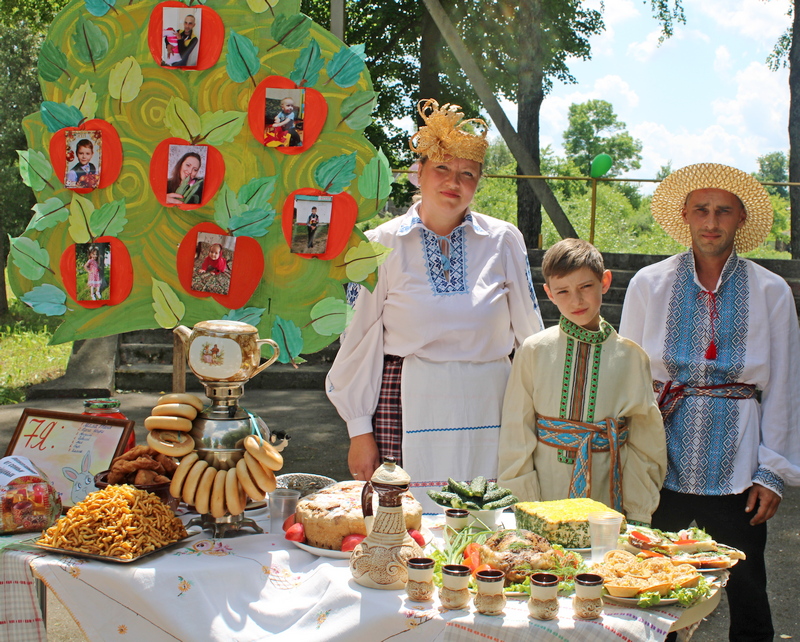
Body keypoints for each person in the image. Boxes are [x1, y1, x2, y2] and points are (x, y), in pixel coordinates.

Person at [326, 99, 543, 512]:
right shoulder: (380, 243)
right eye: (442, 168)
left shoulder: (503, 240)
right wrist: (358, 430)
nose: (454, 182)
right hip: (403, 404)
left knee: (489, 523)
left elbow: (530, 334)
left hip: (492, 404)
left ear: (478, 183)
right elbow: (356, 341)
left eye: (468, 174)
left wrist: (541, 415)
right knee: (403, 530)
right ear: (419, 173)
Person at [618, 163, 800, 641]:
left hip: (739, 464)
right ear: (685, 216)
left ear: (740, 219)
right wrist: (625, 461)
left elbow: (784, 386)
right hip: (660, 459)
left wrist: (773, 471)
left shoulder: (771, 292)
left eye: (724, 211)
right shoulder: (648, 284)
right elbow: (629, 379)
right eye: (702, 209)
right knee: (649, 584)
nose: (712, 221)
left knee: (748, 589)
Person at [497, 239, 666, 522]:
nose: (576, 300)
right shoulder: (533, 350)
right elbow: (517, 431)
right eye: (563, 291)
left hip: (607, 496)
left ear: (605, 281)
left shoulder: (632, 357)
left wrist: (638, 509)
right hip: (545, 493)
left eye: (586, 287)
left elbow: (645, 441)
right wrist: (524, 504)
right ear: (548, 293)